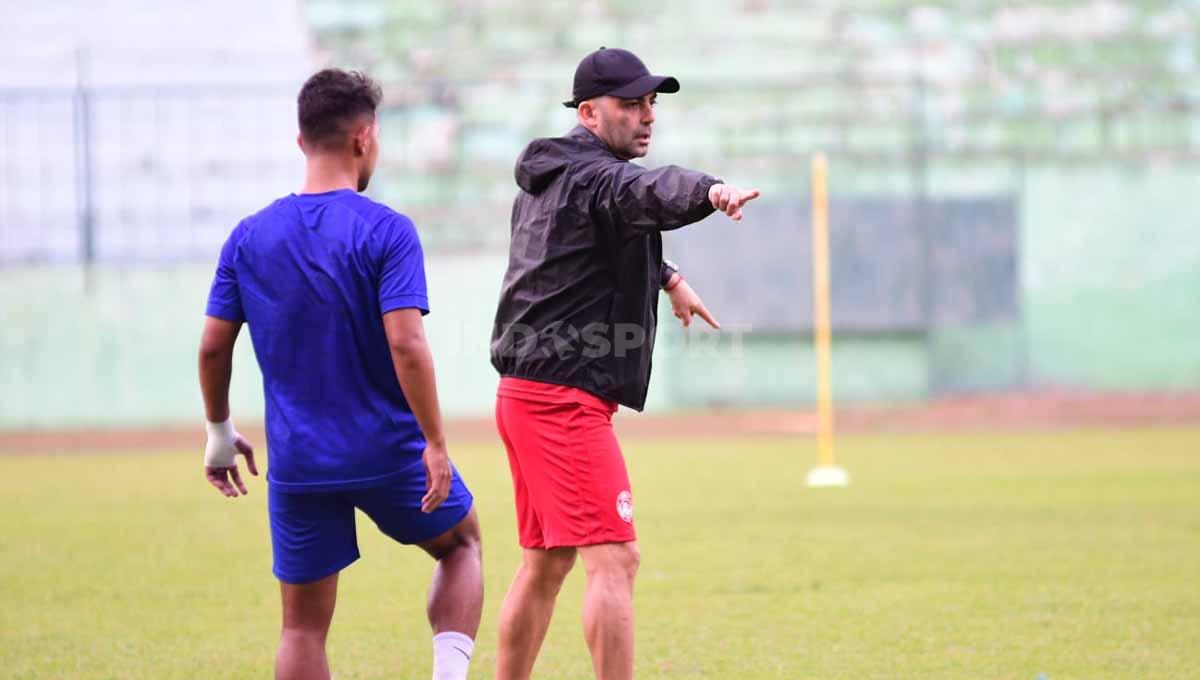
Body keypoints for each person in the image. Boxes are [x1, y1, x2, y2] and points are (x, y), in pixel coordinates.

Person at [197, 68, 482, 680]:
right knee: (461, 545)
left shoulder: (248, 238)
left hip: (298, 462)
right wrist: (436, 442)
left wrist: (219, 433)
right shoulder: (388, 231)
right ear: (365, 138)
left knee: (302, 627)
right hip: (389, 452)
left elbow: (214, 348)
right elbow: (406, 342)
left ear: (302, 141)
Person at [489, 47, 760, 680]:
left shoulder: (555, 175)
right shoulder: (596, 177)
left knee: (546, 563)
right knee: (616, 558)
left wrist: (668, 277)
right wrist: (710, 191)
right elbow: (647, 191)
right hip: (562, 398)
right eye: (632, 104)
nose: (648, 115)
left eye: (651, 103)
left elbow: (591, 238)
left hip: (528, 391)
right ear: (588, 112)